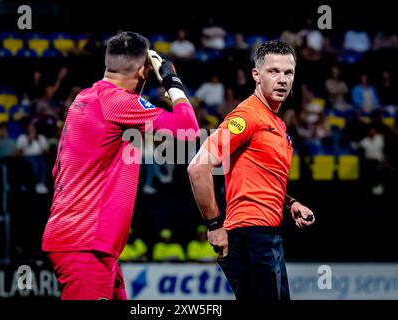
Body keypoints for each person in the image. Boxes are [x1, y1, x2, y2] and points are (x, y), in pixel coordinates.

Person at [42, 31, 199, 300]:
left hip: (89, 243)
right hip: (85, 245)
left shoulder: (85, 99)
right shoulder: (117, 102)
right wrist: (172, 81)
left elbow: (58, 170)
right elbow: (189, 130)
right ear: (142, 70)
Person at [187, 40, 315, 301]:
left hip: (268, 235)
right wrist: (213, 225)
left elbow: (260, 179)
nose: (282, 80)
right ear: (256, 75)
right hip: (250, 236)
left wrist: (289, 204)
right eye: (273, 71)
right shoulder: (246, 116)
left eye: (288, 73)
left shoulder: (275, 122)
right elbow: (198, 167)